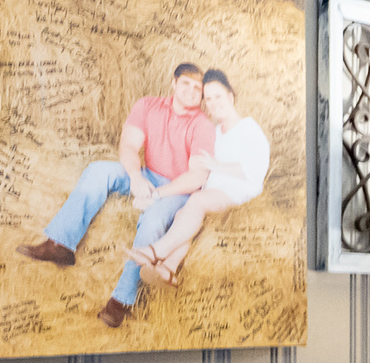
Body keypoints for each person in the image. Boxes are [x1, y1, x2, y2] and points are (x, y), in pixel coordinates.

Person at [18, 62, 219, 327]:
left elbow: (196, 177)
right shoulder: (147, 105)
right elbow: (128, 145)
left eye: (198, 89)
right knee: (99, 170)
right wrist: (136, 178)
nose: (192, 92)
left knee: (152, 220)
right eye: (186, 84)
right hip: (147, 174)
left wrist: (157, 194)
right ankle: (61, 245)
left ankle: (122, 299)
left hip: (178, 189)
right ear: (173, 82)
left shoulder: (203, 126)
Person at [134, 70, 270, 286]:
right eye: (208, 99)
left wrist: (218, 166)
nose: (214, 103)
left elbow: (257, 169)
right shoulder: (214, 131)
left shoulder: (248, 128)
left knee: (197, 201)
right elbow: (201, 165)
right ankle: (168, 268)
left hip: (238, 189)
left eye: (218, 96)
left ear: (230, 97)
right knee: (182, 214)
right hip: (213, 189)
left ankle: (155, 251)